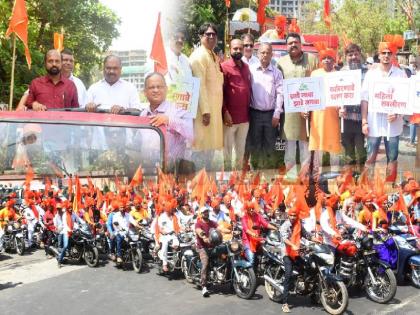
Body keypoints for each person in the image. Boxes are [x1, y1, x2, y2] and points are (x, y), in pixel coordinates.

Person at [361, 41, 407, 182]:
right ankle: (367, 189)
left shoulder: (401, 75)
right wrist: (364, 121)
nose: (386, 55)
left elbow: (406, 99)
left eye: (389, 53)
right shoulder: (371, 75)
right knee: (370, 156)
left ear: (393, 55)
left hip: (393, 125)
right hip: (374, 123)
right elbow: (364, 99)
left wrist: (398, 113)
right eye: (383, 53)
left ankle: (389, 187)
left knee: (392, 157)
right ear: (379, 55)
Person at [278, 33, 318, 179]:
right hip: (288, 115)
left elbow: (318, 85)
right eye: (290, 43)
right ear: (286, 46)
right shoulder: (280, 63)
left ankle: (304, 179)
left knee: (305, 150)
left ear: (301, 44)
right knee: (289, 150)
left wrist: (310, 108)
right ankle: (291, 180)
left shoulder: (312, 60)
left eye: (296, 42)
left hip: (306, 114)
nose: (293, 45)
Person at [139, 72, 193, 171]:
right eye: (151, 87)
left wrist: (169, 120)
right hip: (148, 170)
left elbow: (191, 133)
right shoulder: (143, 115)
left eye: (159, 87)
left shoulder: (178, 110)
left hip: (173, 170)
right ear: (145, 92)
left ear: (166, 89)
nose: (156, 90)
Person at [189, 22, 224, 170]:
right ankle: (199, 185)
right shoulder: (198, 56)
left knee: (210, 150)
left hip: (214, 111)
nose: (211, 37)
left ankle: (208, 183)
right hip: (203, 113)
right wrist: (205, 111)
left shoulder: (213, 56)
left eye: (213, 34)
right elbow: (200, 85)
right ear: (200, 36)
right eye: (207, 34)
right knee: (201, 149)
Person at [247, 42, 283, 169]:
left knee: (270, 145)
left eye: (268, 52)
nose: (265, 55)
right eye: (262, 52)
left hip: (270, 115)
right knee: (255, 144)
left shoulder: (277, 72)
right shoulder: (251, 70)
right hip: (254, 113)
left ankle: (269, 174)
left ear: (272, 54)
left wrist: (277, 113)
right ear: (257, 54)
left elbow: (280, 93)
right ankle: (254, 172)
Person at [309, 46, 341, 175]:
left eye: (330, 58)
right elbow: (309, 94)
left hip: (334, 115)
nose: (327, 60)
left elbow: (343, 94)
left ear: (334, 60)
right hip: (317, 116)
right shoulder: (315, 74)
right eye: (324, 58)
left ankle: (335, 173)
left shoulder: (339, 75)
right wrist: (306, 109)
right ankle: (318, 174)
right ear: (321, 60)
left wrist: (342, 107)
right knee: (318, 145)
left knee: (334, 145)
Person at [221, 39, 252, 170]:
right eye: (235, 48)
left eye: (240, 48)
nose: (238, 51)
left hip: (244, 118)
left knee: (240, 151)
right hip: (230, 118)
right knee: (227, 152)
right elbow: (220, 92)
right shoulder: (224, 67)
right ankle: (226, 180)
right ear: (230, 49)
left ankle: (238, 180)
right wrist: (225, 112)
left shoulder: (246, 67)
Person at [279, 207, 313, 313]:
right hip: (287, 253)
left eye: (295, 215)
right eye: (291, 215)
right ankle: (284, 303)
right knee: (288, 275)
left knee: (308, 267)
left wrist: (315, 239)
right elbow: (285, 239)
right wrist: (293, 245)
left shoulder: (298, 224)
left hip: (296, 251)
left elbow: (306, 234)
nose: (293, 217)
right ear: (288, 215)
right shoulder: (284, 226)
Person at [339, 44, 367, 171]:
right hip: (346, 120)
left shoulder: (368, 73)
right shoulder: (341, 73)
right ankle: (349, 181)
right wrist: (339, 108)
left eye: (356, 54)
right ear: (346, 57)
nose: (353, 57)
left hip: (362, 119)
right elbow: (336, 94)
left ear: (360, 55)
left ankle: (362, 181)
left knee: (361, 152)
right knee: (348, 154)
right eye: (350, 55)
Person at [195, 206, 220, 297]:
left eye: (207, 212)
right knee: (205, 264)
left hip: (213, 245)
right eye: (204, 212)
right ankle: (204, 286)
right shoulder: (198, 223)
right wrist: (204, 237)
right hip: (202, 247)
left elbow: (219, 227)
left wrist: (228, 230)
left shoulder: (212, 223)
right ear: (201, 214)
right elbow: (199, 231)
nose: (206, 213)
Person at [241, 201, 277, 265]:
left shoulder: (258, 216)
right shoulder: (244, 218)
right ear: (247, 209)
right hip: (248, 241)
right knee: (251, 260)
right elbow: (246, 229)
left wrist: (275, 228)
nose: (252, 210)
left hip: (257, 240)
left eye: (252, 208)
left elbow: (266, 224)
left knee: (269, 252)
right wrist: (253, 234)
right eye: (250, 209)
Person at [154, 199, 181, 272]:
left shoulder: (175, 216)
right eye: (171, 208)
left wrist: (185, 229)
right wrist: (163, 231)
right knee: (165, 244)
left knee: (179, 244)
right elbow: (160, 228)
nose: (173, 209)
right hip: (164, 236)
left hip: (173, 235)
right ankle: (164, 264)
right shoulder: (162, 217)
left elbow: (179, 226)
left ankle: (177, 261)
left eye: (173, 208)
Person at [57, 200, 82, 268]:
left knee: (80, 241)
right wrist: (69, 230)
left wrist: (84, 223)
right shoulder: (64, 215)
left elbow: (79, 219)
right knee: (65, 246)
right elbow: (65, 225)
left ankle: (80, 256)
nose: (71, 209)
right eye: (69, 208)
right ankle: (60, 260)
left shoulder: (73, 214)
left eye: (71, 207)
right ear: (67, 208)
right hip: (66, 232)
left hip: (73, 231)